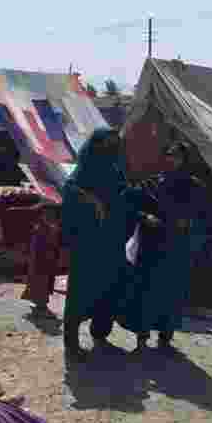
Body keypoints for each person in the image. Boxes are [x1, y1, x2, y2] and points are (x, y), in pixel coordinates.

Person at [118, 141, 208, 353]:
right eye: (169, 154)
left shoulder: (195, 187)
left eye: (176, 156)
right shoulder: (154, 183)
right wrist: (145, 217)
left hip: (177, 249)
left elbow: (204, 219)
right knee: (145, 291)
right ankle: (141, 338)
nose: (171, 159)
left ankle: (165, 338)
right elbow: (129, 204)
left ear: (185, 159)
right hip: (152, 246)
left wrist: (189, 224)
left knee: (171, 293)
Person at [61, 128, 142, 359]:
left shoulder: (115, 172)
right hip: (87, 245)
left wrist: (135, 206)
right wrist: (90, 202)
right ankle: (71, 342)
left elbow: (123, 198)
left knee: (109, 289)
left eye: (115, 144)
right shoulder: (82, 174)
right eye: (107, 144)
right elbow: (71, 195)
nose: (112, 149)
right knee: (80, 292)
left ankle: (100, 332)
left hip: (111, 242)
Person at [20, 202, 63, 317]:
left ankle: (40, 305)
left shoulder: (47, 227)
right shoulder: (42, 228)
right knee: (41, 284)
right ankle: (41, 308)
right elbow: (46, 245)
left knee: (42, 283)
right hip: (41, 261)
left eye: (52, 214)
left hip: (45, 260)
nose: (50, 216)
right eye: (48, 214)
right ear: (42, 215)